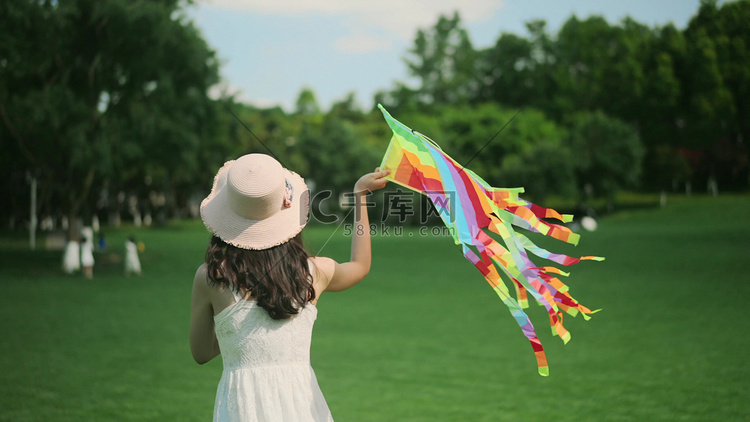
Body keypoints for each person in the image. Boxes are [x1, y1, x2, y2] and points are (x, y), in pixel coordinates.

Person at [190, 153, 389, 422]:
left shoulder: (211, 277)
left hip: (240, 410)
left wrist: (233, 333)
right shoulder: (314, 272)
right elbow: (360, 265)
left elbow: (201, 353)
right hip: (302, 407)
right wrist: (360, 196)